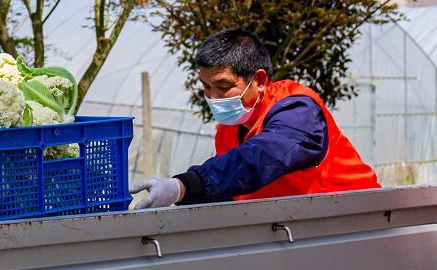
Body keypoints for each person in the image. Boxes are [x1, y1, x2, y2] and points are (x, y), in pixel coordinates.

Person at [131, 28, 380, 208]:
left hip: (358, 220)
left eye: (223, 86)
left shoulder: (298, 111)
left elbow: (258, 159)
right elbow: (230, 182)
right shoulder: (230, 128)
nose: (213, 97)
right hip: (295, 228)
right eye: (206, 87)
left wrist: (183, 186)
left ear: (259, 80)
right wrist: (185, 197)